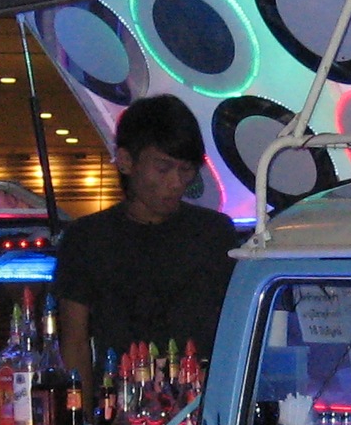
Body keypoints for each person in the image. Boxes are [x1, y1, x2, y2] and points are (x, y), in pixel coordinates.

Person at [54, 95, 237, 404]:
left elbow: (234, 332)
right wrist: (81, 419)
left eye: (186, 170)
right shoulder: (86, 239)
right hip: (119, 405)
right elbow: (75, 344)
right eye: (163, 168)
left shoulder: (215, 234)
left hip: (200, 405)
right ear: (126, 161)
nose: (176, 183)